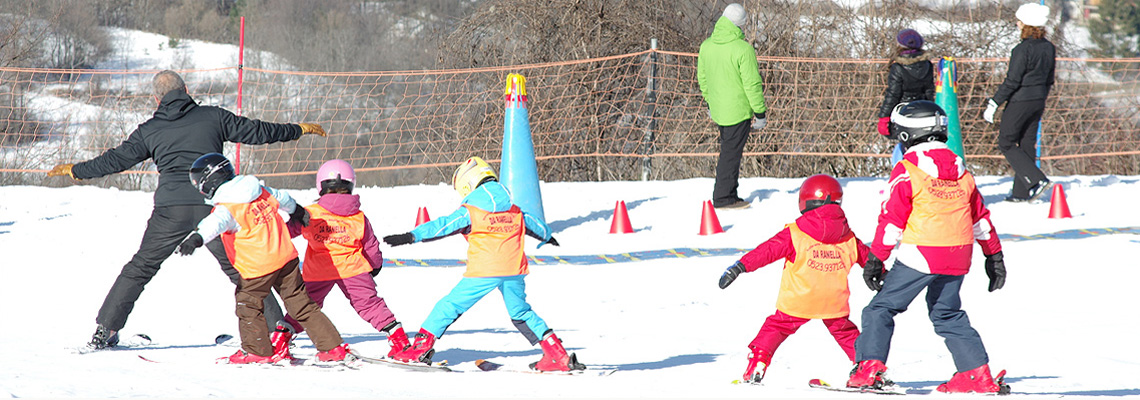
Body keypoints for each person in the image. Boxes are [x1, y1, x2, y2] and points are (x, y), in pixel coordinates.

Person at [45, 70, 327, 350]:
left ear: (156, 99)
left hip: (171, 210)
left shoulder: (150, 130)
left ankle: (105, 330)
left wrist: (77, 171)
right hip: (217, 208)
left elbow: (115, 160)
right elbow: (257, 131)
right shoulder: (213, 117)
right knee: (246, 269)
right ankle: (276, 328)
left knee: (141, 267)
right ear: (187, 89)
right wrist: (296, 129)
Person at [847, 101, 1010, 394]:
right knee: (946, 313)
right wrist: (993, 256)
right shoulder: (962, 172)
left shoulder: (908, 169)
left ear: (907, 136)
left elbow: (891, 220)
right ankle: (976, 374)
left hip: (922, 252)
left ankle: (868, 369)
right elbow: (980, 218)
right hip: (959, 252)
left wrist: (875, 260)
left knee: (880, 309)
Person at [382, 156, 584, 372]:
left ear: (467, 184)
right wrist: (547, 237)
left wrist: (412, 236)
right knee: (521, 313)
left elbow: (443, 226)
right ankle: (557, 354)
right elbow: (534, 224)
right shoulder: (513, 209)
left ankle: (419, 349)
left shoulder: (471, 210)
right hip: (514, 270)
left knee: (449, 306)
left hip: (485, 271)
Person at [176, 153, 349, 363]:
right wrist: (297, 211)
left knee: (247, 305)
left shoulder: (227, 207)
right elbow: (283, 198)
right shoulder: (260, 191)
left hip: (258, 269)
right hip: (286, 259)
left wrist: (196, 238)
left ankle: (258, 351)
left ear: (209, 182)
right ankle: (332, 348)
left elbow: (214, 224)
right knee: (302, 304)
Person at [717, 174, 871, 384]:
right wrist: (886, 277)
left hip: (798, 300)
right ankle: (865, 367)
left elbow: (767, 251)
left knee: (776, 326)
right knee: (845, 332)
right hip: (834, 302)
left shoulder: (795, 233)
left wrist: (740, 266)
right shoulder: (849, 237)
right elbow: (870, 260)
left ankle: (758, 363)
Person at [270, 159, 409, 361]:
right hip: (353, 269)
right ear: (351, 184)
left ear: (321, 185)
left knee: (304, 305)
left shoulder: (311, 213)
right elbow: (370, 245)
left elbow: (286, 232)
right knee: (369, 305)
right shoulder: (358, 216)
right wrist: (375, 265)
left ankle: (281, 339)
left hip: (317, 271)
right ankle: (400, 341)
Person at [697, 3, 769, 210]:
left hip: (719, 109)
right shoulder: (743, 49)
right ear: (739, 26)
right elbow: (752, 84)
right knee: (730, 154)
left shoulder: (707, 46)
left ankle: (730, 193)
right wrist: (760, 112)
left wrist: (710, 102)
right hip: (738, 111)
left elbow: (703, 78)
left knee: (729, 151)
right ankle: (724, 198)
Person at [983, 2, 1055, 202]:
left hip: (1020, 101)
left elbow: (1012, 81)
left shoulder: (1022, 50)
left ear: (1027, 24)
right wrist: (1040, 96)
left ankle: (1036, 180)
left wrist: (994, 103)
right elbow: (1050, 79)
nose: (1017, 24)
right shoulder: (1049, 48)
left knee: (1006, 142)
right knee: (1026, 143)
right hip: (1038, 100)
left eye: (1019, 21)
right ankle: (1022, 192)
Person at [876, 28, 935, 165]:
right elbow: (929, 92)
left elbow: (892, 95)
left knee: (903, 147)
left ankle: (904, 172)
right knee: (920, 146)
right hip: (922, 113)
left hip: (903, 113)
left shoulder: (898, 68)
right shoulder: (927, 65)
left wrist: (884, 117)